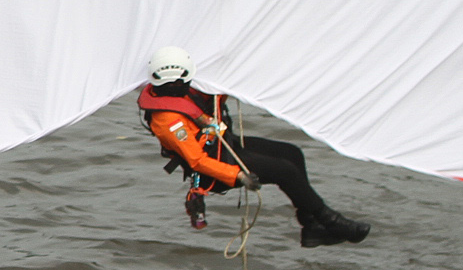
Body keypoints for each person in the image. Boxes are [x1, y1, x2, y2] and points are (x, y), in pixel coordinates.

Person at [135, 46, 370, 248]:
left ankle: (311, 226)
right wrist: (238, 175)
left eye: (179, 83)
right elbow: (197, 161)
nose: (176, 88)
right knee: (285, 171)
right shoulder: (168, 120)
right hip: (215, 167)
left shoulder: (181, 93)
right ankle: (330, 222)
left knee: (291, 153)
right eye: (171, 85)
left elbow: (210, 98)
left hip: (224, 146)